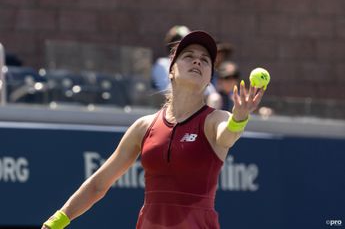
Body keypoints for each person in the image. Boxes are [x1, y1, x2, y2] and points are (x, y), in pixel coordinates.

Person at [42, 31, 265, 229]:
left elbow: (227, 136)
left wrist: (239, 117)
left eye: (205, 60)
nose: (197, 61)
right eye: (189, 56)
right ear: (171, 70)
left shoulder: (215, 119)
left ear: (209, 79)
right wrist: (56, 222)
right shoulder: (143, 126)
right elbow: (98, 184)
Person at [151, 25, 190, 91]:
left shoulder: (192, 65)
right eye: (179, 41)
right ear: (172, 45)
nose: (184, 46)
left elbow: (210, 93)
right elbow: (167, 89)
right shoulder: (162, 64)